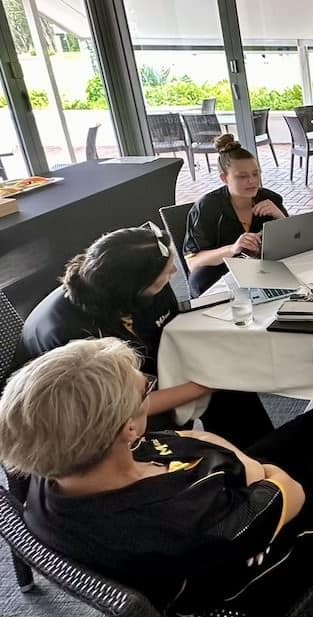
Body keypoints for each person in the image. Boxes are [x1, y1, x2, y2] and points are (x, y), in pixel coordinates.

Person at [0, 338, 313, 615]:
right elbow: (285, 491)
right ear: (127, 427)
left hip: (219, 489)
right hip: (257, 561)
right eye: (145, 388)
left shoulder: (57, 466)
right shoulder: (183, 518)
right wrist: (249, 466)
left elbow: (214, 453)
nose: (150, 390)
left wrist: (234, 460)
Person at [14, 224, 273, 448]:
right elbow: (120, 409)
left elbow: (172, 328)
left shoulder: (143, 287)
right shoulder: (72, 336)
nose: (174, 275)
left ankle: (261, 457)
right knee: (216, 388)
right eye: (166, 274)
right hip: (85, 419)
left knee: (233, 388)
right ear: (133, 288)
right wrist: (205, 384)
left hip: (145, 374)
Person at [184, 134, 288, 297]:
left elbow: (292, 242)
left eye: (256, 174)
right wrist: (232, 248)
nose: (252, 181)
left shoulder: (269, 199)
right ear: (224, 178)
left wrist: (280, 216)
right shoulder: (207, 207)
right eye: (242, 176)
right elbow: (193, 262)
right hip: (217, 279)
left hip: (261, 273)